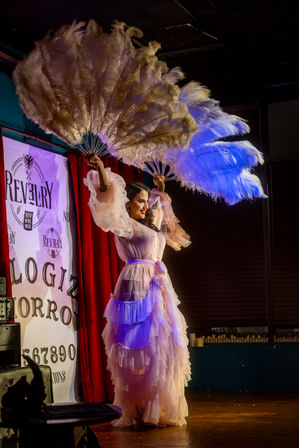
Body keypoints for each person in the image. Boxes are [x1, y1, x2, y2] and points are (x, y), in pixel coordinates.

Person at [84, 154, 191, 427]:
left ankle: (154, 405)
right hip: (135, 282)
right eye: (139, 201)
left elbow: (161, 207)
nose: (145, 205)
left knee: (162, 344)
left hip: (159, 284)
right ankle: (136, 406)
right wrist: (101, 170)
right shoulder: (124, 224)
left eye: (145, 201)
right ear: (127, 204)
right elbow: (108, 197)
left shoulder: (149, 223)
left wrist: (160, 188)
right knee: (136, 344)